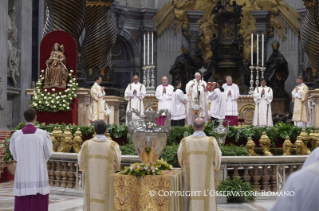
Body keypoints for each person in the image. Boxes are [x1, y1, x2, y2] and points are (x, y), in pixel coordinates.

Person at [9, 108, 52, 211]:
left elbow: (14, 155)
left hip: (22, 171)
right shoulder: (42, 134)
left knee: (22, 195)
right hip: (38, 171)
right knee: (38, 194)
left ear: (24, 118)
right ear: (36, 118)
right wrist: (39, 161)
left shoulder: (16, 135)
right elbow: (48, 153)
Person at [177, 118, 221, 211]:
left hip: (190, 177)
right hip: (207, 177)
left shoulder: (185, 141)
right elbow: (217, 159)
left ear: (192, 127)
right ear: (204, 127)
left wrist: (185, 168)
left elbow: (180, 159)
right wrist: (216, 168)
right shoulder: (211, 141)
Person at [78, 120, 121, 211]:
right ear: (106, 130)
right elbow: (118, 163)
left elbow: (80, 162)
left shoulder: (86, 145)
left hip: (91, 179)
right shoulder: (112, 145)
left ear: (94, 130)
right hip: (107, 180)